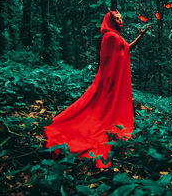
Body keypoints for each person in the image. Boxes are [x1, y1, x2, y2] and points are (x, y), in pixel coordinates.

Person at [44, 10, 149, 168]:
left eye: (121, 18)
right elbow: (112, 58)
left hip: (110, 79)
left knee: (100, 107)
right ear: (111, 21)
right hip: (110, 80)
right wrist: (110, 80)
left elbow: (126, 49)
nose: (120, 21)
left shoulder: (113, 36)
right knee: (98, 111)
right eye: (117, 19)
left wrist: (141, 35)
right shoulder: (111, 37)